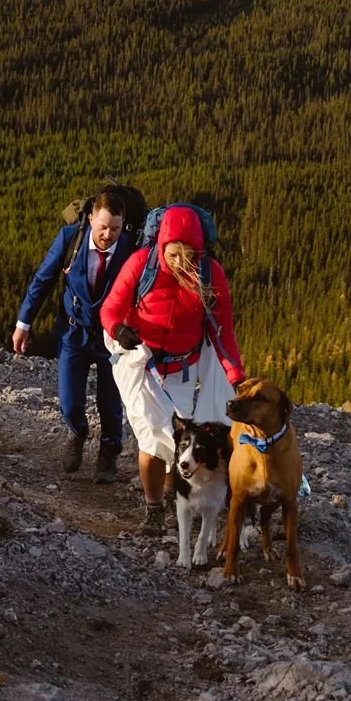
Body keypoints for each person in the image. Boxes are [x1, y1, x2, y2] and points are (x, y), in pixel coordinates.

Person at [101, 203, 245, 536]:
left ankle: (169, 496)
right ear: (162, 246)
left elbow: (222, 331)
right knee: (151, 439)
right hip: (141, 365)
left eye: (189, 256)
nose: (181, 263)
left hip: (182, 371)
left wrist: (235, 376)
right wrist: (117, 329)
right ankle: (154, 507)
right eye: (174, 255)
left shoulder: (210, 274)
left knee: (178, 440)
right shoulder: (141, 264)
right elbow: (111, 308)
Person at [14, 185, 139, 483]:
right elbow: (43, 279)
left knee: (110, 403)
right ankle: (77, 430)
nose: (108, 234)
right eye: (104, 226)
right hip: (73, 332)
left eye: (116, 228)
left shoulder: (131, 250)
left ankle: (109, 452)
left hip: (112, 339)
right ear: (92, 217)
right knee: (70, 400)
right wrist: (24, 323)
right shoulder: (70, 239)